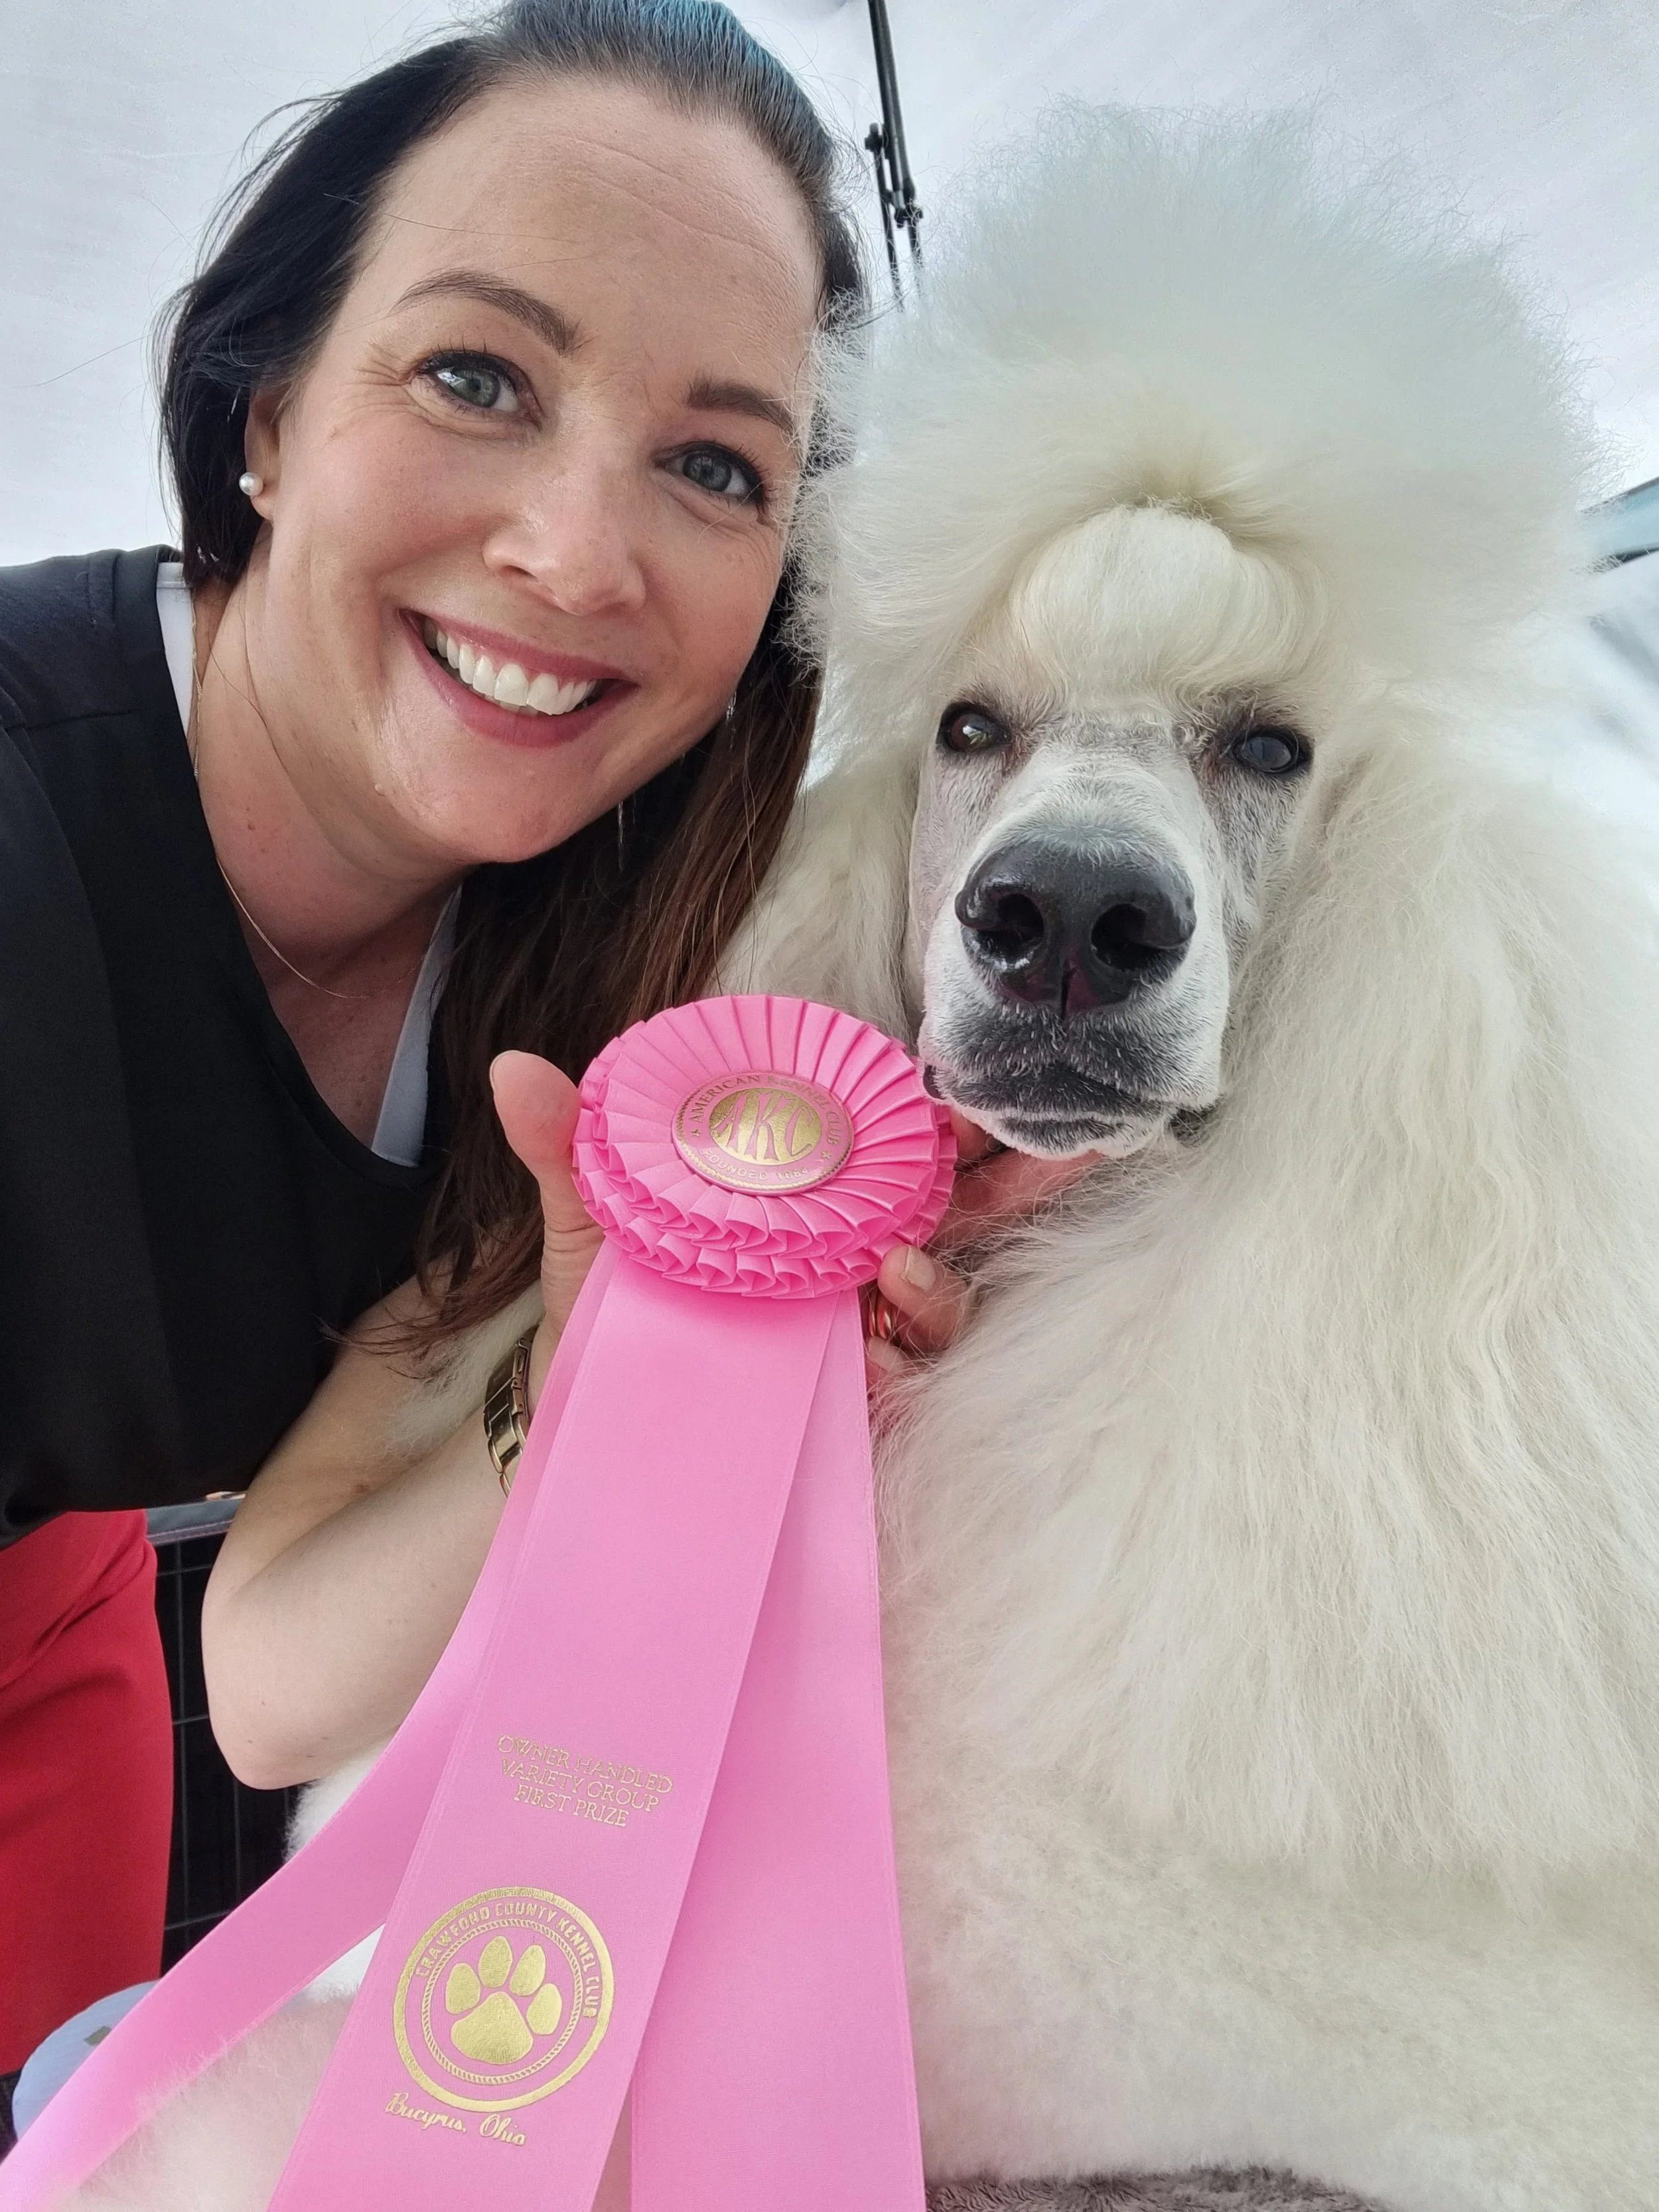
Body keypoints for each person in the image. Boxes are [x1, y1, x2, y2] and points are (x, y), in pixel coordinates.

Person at [0, 0, 867, 2104]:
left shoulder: (657, 966)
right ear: (265, 410)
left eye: (711, 462)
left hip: (66, 1612)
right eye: (478, 374)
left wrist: (616, 1373)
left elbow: (275, 1685)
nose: (575, 554)